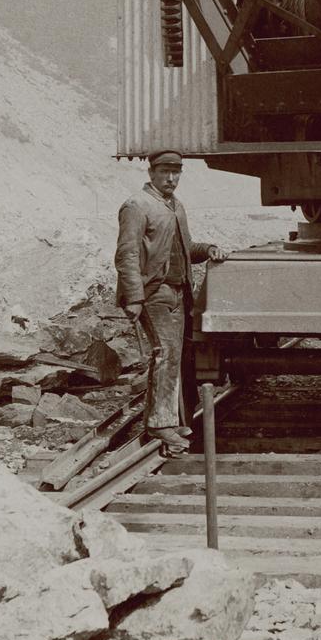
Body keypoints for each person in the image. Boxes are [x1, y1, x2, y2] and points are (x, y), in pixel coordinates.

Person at [115, 151, 222, 456]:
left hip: (179, 291)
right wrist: (134, 298)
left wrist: (209, 249)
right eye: (165, 172)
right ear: (151, 172)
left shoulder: (175, 206)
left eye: (176, 172)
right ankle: (161, 424)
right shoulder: (136, 206)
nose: (171, 178)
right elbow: (127, 255)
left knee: (179, 356)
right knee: (165, 355)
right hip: (154, 293)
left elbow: (185, 249)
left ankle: (175, 420)